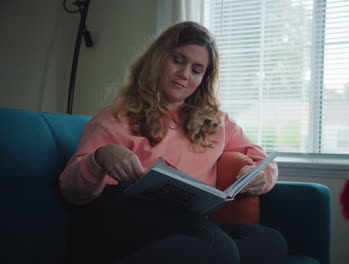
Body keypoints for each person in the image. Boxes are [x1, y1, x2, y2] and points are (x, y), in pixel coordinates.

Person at [59, 21, 288, 264]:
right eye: (178, 61)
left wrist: (259, 177)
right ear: (158, 59)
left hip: (183, 223)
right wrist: (100, 157)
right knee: (216, 247)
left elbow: (261, 160)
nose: (184, 74)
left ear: (203, 78)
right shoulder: (115, 116)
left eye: (197, 70)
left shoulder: (216, 123)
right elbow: (71, 191)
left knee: (269, 242)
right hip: (119, 217)